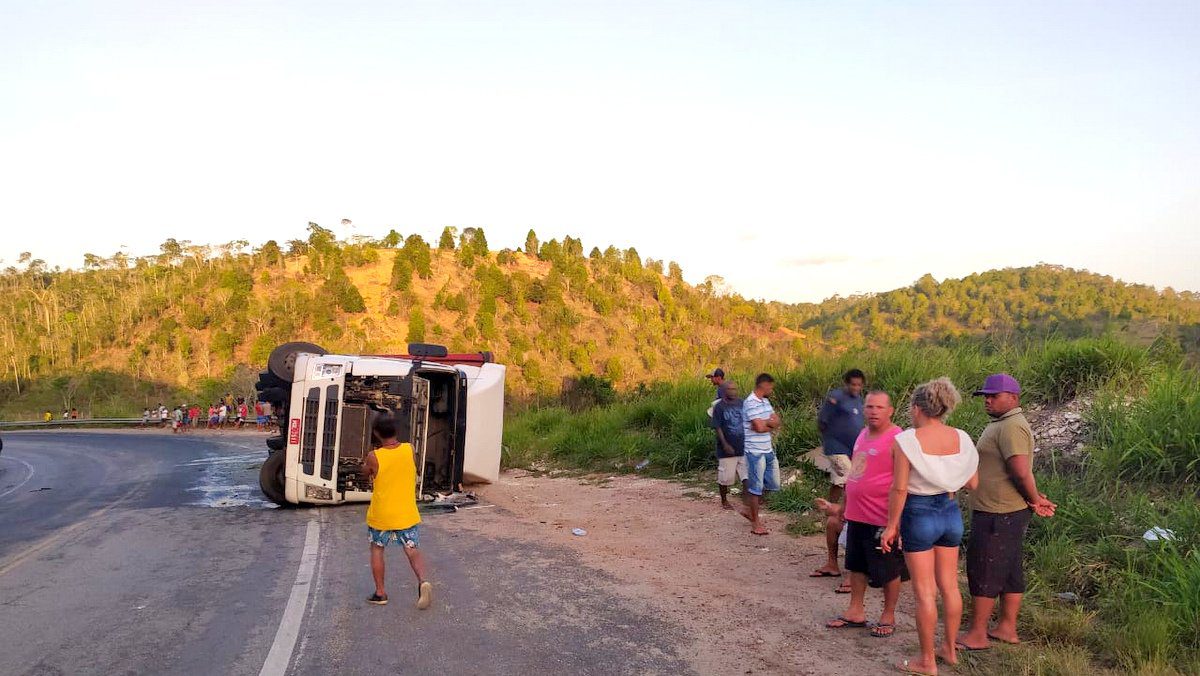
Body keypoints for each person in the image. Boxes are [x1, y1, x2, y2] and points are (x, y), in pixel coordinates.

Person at [880, 377, 979, 676]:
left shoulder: (907, 441)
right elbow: (972, 483)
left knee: (925, 592)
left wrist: (891, 526)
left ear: (916, 408)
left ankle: (926, 661)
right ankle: (949, 649)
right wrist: (946, 478)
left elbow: (899, 489)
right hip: (950, 512)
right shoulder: (962, 437)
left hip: (919, 513)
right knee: (949, 586)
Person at [959, 374, 1057, 652]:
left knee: (985, 568)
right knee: (1009, 568)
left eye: (994, 395)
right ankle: (1006, 628)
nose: (987, 400)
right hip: (1006, 509)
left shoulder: (1011, 426)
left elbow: (1020, 471)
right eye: (985, 396)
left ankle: (977, 634)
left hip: (997, 511)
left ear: (1013, 398)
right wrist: (1033, 499)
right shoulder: (1004, 423)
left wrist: (1035, 499)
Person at [818, 391, 906, 638]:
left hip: (881, 517)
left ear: (890, 411)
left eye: (879, 407)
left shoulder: (898, 438)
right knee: (856, 565)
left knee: (889, 570)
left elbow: (902, 484)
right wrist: (844, 508)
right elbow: (854, 473)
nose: (873, 411)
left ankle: (888, 615)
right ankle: (855, 611)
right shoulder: (862, 435)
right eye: (869, 407)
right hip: (857, 514)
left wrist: (895, 522)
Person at [363, 416, 433, 609]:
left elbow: (366, 473)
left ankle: (380, 593)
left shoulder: (374, 456)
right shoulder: (409, 449)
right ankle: (423, 581)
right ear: (396, 430)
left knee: (377, 549)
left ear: (376, 433)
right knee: (411, 549)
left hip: (382, 515)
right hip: (406, 513)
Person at [813, 369, 867, 580]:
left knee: (839, 480)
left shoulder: (859, 401)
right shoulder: (836, 397)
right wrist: (830, 440)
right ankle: (844, 514)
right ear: (846, 383)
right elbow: (822, 421)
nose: (856, 388)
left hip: (852, 449)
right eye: (853, 384)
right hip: (836, 448)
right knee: (851, 479)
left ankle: (832, 511)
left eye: (859, 385)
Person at [742, 373, 782, 535]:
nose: (771, 389)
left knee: (774, 485)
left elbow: (777, 421)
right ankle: (756, 523)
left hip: (768, 449)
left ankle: (750, 510)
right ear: (764, 385)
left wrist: (765, 423)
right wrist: (767, 424)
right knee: (756, 487)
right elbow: (758, 428)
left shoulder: (765, 401)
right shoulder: (750, 402)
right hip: (755, 451)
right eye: (770, 386)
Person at [710, 381, 747, 511]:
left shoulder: (742, 403)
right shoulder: (719, 407)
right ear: (725, 391)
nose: (733, 391)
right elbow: (717, 427)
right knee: (725, 478)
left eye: (735, 389)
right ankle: (724, 500)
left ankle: (748, 500)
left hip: (742, 446)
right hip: (727, 449)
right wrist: (725, 444)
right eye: (730, 389)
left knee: (746, 476)